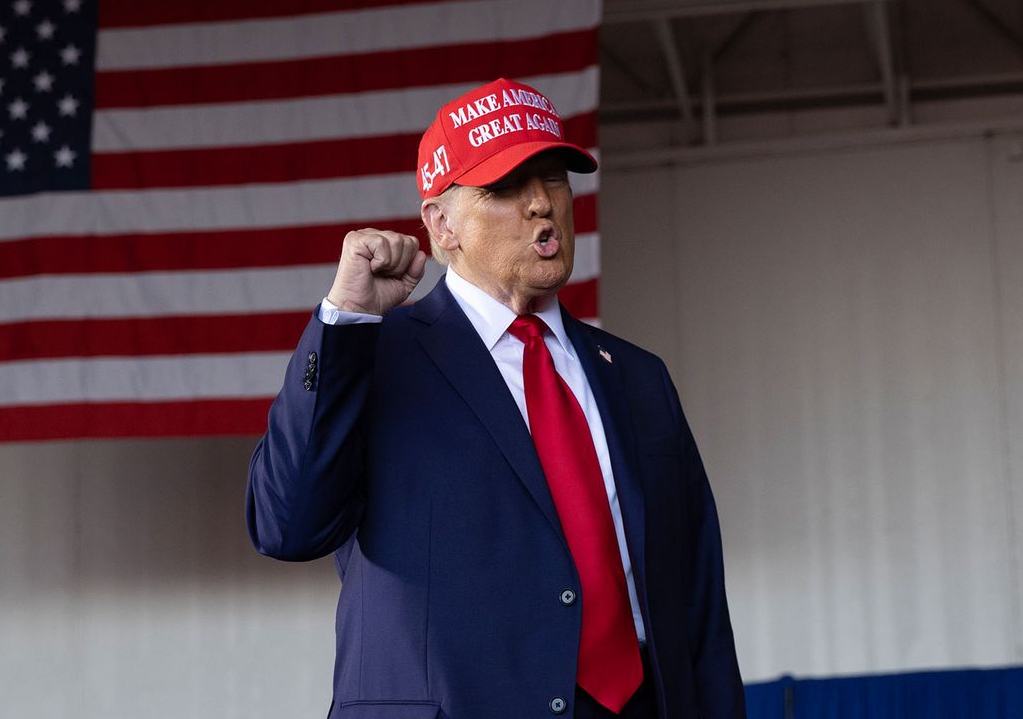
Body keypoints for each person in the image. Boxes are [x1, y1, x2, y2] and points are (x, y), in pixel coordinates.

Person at [246, 78, 745, 719]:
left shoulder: (638, 378)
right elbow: (287, 526)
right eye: (506, 188)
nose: (541, 204)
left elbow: (696, 599)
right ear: (441, 223)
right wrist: (344, 321)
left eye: (554, 179)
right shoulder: (373, 355)